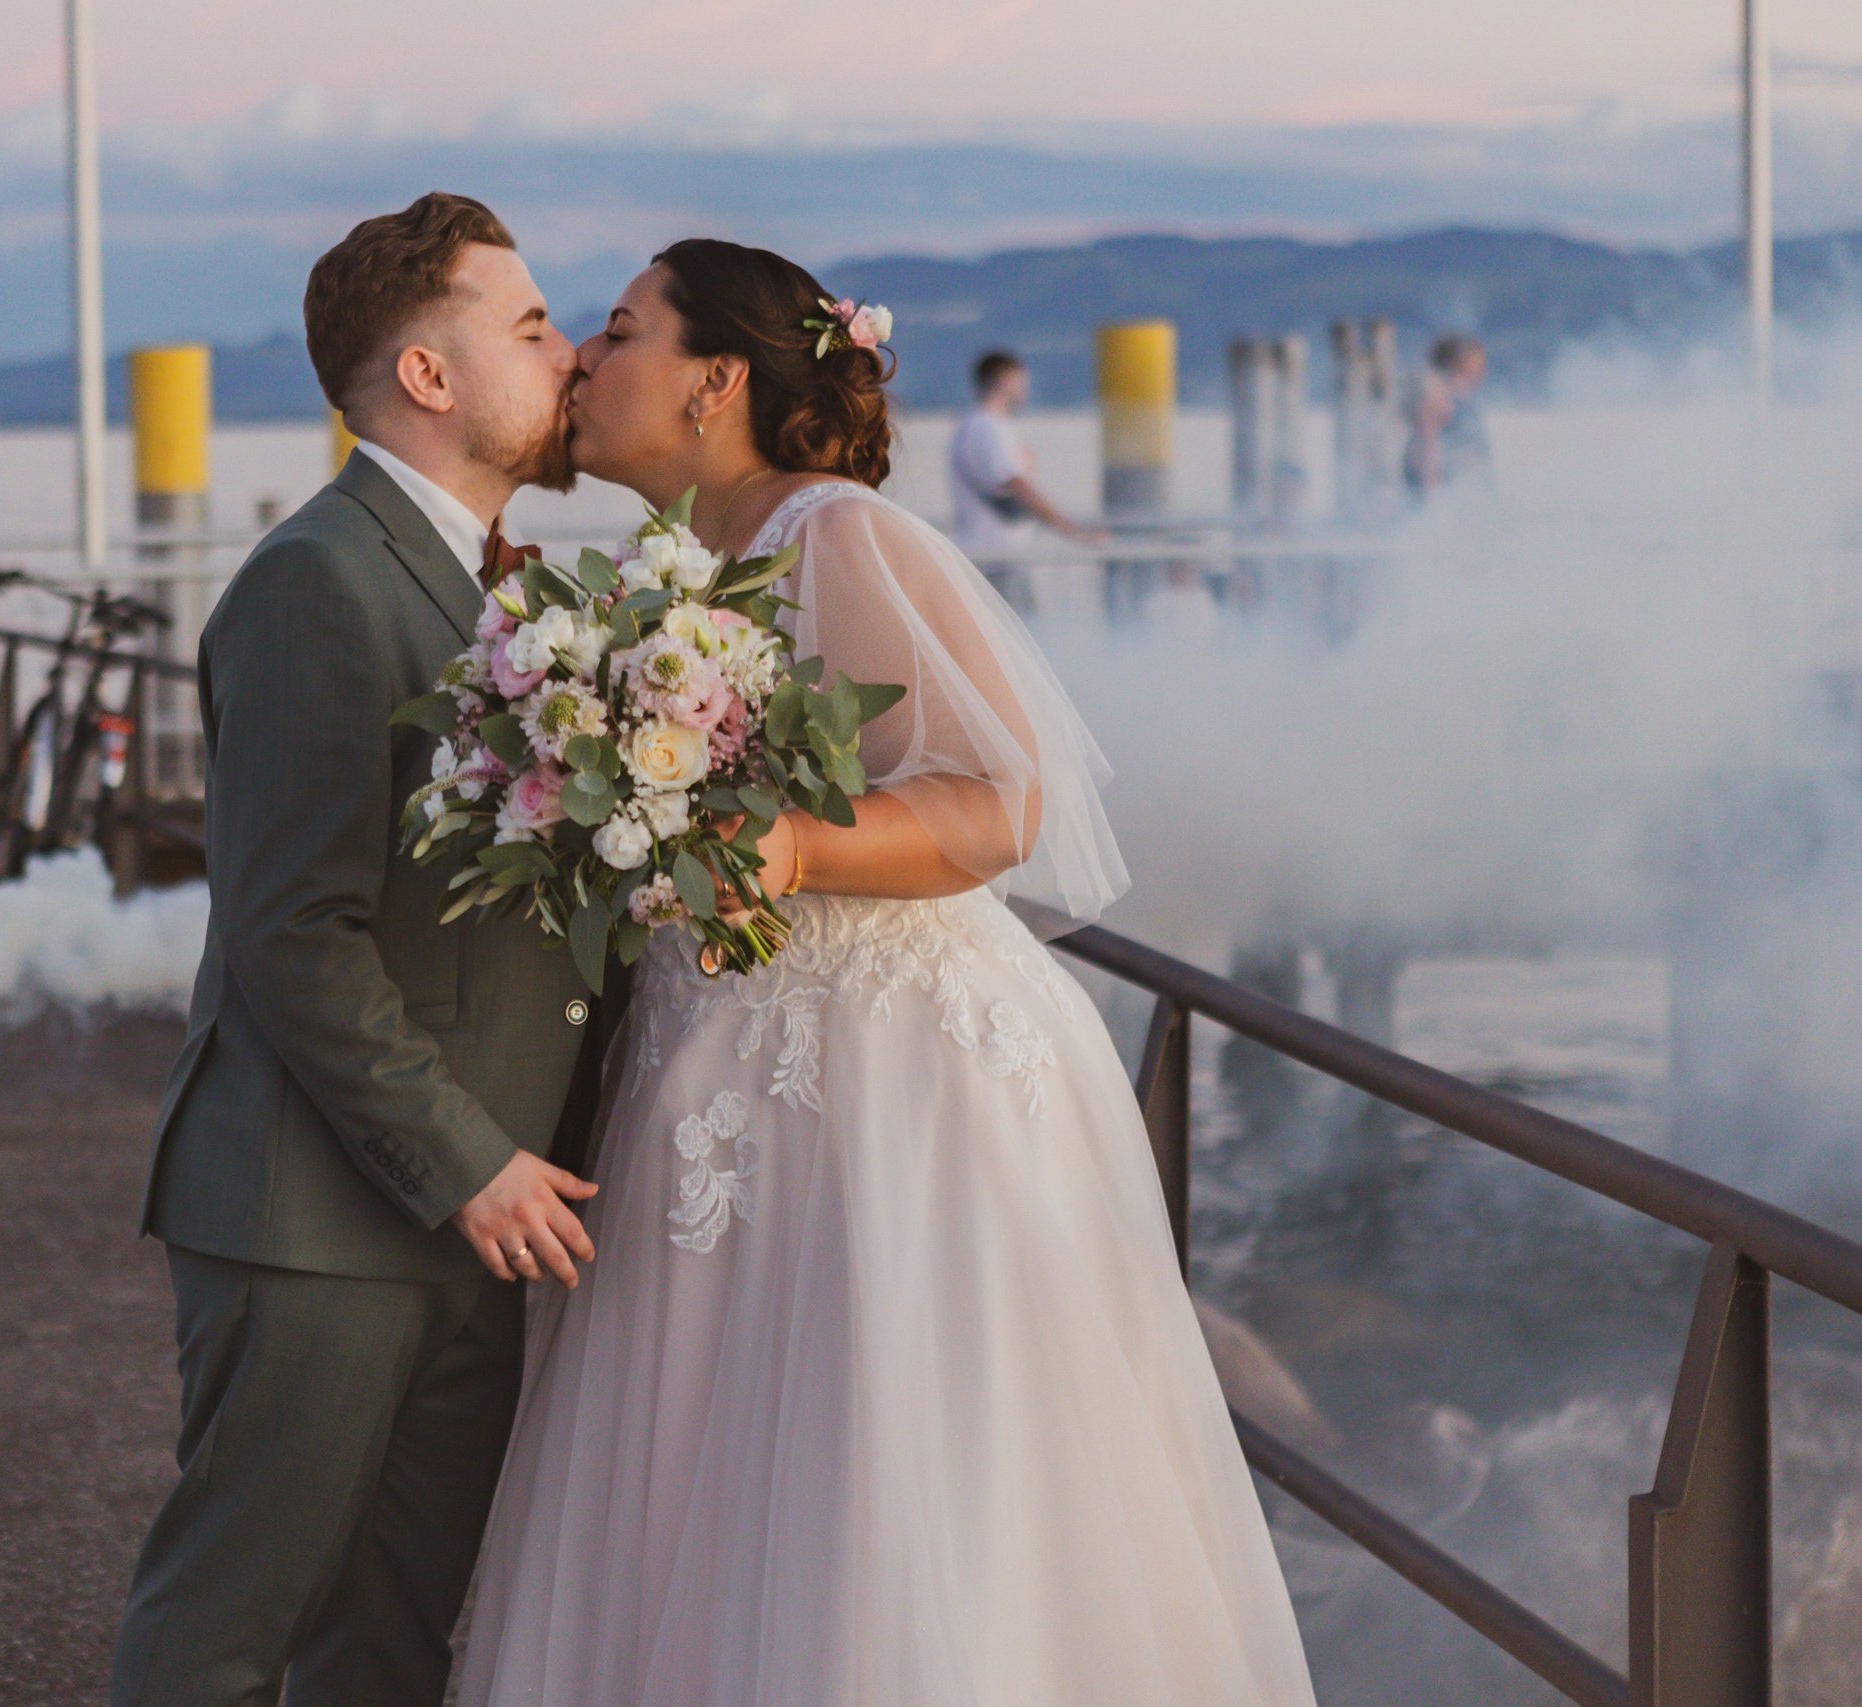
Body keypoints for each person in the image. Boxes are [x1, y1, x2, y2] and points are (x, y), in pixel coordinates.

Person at [458, 240, 1318, 1705]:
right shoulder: (684, 571)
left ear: (719, 378)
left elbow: (1004, 796)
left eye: (617, 330)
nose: (586, 365)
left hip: (883, 1073)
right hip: (712, 1059)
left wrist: (789, 846)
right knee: (705, 1479)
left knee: (891, 1482)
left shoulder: (835, 536)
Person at [110, 192, 625, 1707]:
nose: (568, 353)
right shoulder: (316, 581)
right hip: (321, 1210)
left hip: (470, 1211)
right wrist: (470, 1159)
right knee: (228, 1628)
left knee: (391, 1643)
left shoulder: (494, 581)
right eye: (531, 328)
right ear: (430, 376)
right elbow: (292, 932)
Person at [948, 348, 1094, 616]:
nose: (1025, 388)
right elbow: (1021, 487)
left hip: (992, 557)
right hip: (996, 560)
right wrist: (1074, 533)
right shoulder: (988, 428)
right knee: (1017, 642)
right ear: (1004, 380)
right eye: (1020, 380)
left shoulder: (974, 425)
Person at [1404, 333, 1491, 498]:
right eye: (1476, 363)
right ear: (1456, 364)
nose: (1483, 370)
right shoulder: (1437, 399)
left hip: (1462, 498)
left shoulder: (1461, 400)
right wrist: (1434, 500)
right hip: (1441, 498)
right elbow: (1427, 448)